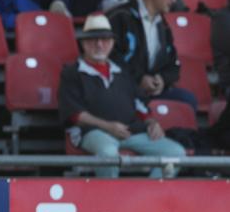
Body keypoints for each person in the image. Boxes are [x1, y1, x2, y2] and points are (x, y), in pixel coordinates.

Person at [58, 13, 185, 178]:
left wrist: (152, 122)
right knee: (109, 155)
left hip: (129, 131)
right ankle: (109, 201)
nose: (99, 44)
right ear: (83, 43)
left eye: (105, 39)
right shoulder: (71, 72)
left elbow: (139, 105)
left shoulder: (122, 71)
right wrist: (108, 126)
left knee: (176, 153)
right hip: (92, 132)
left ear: (112, 43)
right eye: (93, 39)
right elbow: (75, 115)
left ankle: (149, 198)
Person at [107, 0, 198, 113]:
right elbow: (110, 57)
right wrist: (139, 78)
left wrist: (162, 79)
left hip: (151, 92)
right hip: (124, 89)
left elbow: (173, 64)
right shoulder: (119, 16)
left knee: (188, 100)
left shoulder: (164, 25)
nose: (174, 0)